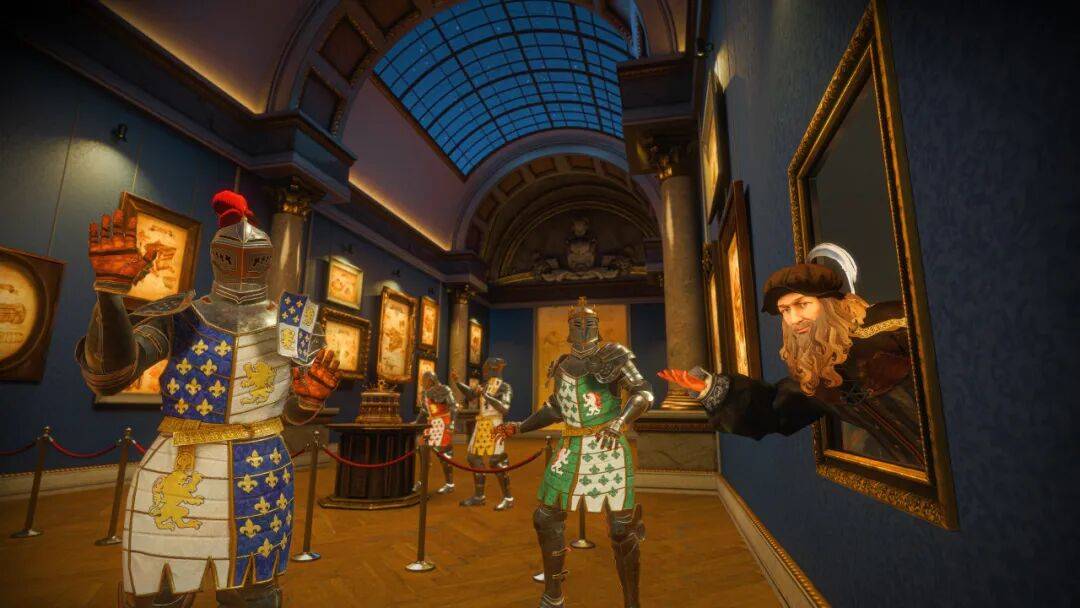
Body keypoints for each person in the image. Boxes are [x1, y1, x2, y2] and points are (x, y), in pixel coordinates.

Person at [77, 191, 340, 608]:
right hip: (180, 464)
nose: (242, 265)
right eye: (232, 256)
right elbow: (110, 375)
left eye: (253, 258)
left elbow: (290, 414)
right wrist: (109, 294)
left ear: (266, 261)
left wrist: (308, 402)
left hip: (260, 470)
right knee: (158, 590)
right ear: (217, 257)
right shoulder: (179, 314)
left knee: (253, 592)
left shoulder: (294, 323)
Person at [659, 259, 924, 468]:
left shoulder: (892, 323)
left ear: (829, 303)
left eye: (802, 304)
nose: (794, 319)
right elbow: (774, 410)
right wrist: (709, 388)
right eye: (785, 310)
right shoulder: (814, 374)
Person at [495, 297, 653, 608]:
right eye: (577, 324)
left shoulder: (615, 356)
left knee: (621, 530)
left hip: (607, 446)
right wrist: (520, 427)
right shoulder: (562, 364)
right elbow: (556, 407)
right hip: (570, 447)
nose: (583, 329)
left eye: (589, 323)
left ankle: (631, 602)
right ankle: (553, 595)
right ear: (569, 327)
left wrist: (619, 422)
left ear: (598, 326)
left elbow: (643, 393)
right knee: (545, 518)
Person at [452, 358, 514, 510]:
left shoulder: (505, 387)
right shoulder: (485, 385)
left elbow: (504, 408)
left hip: (496, 424)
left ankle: (508, 498)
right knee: (473, 458)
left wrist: (486, 396)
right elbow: (471, 394)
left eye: (486, 369)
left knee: (496, 461)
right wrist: (458, 382)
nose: (484, 372)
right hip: (481, 424)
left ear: (494, 369)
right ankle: (479, 496)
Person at [413, 371, 458, 494]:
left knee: (444, 455)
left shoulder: (444, 390)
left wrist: (452, 424)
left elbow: (453, 407)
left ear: (431, 380)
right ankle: (422, 481)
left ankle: (449, 484)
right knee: (422, 449)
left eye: (425, 380)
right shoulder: (425, 393)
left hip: (443, 423)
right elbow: (424, 411)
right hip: (431, 424)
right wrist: (416, 422)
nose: (423, 383)